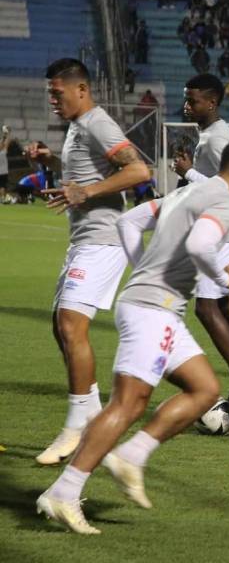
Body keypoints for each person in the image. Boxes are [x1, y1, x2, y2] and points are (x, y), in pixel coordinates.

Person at [36, 139, 229, 534]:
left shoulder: (190, 190)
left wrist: (143, 268)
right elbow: (199, 244)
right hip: (152, 310)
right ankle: (64, 491)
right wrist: (225, 278)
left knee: (205, 388)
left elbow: (128, 222)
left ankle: (132, 454)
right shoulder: (224, 201)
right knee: (128, 404)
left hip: (155, 306)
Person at [33, 59, 150, 465]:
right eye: (50, 92)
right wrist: (51, 162)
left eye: (56, 92)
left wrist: (88, 192)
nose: (52, 99)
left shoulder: (99, 123)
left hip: (103, 239)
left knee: (71, 324)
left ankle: (75, 428)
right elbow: (82, 175)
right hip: (82, 239)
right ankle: (92, 414)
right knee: (59, 326)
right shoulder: (76, 128)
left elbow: (138, 169)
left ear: (80, 89)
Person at [172, 73, 229, 414]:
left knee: (205, 308)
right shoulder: (208, 135)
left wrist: (189, 172)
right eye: (185, 98)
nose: (187, 105)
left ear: (211, 102)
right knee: (226, 306)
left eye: (192, 100)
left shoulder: (217, 138)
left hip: (225, 232)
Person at [0, 125, 9, 203]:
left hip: (2, 171)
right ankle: (2, 198)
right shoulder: (3, 153)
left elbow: (3, 144)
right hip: (4, 172)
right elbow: (5, 144)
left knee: (2, 186)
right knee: (2, 186)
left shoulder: (2, 152)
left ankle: (2, 198)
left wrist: (4, 136)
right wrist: (6, 135)